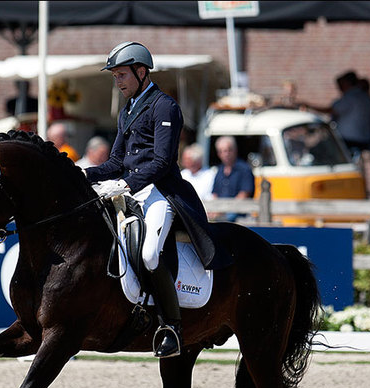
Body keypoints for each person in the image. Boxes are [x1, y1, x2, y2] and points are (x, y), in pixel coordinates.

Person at [84, 41, 231, 358]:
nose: (118, 82)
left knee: (150, 253)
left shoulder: (165, 106)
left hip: (161, 192)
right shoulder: (128, 110)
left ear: (141, 71)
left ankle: (171, 327)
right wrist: (84, 174)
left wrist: (124, 182)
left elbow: (163, 161)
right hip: (130, 189)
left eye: (122, 75)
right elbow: (116, 161)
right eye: (115, 77)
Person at [301, 70, 370, 156]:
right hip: (364, 139)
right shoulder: (364, 96)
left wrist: (308, 106)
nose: (340, 89)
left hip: (348, 140)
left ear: (347, 83)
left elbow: (331, 110)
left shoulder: (350, 97)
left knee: (317, 150)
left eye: (341, 85)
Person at [210, 135, 255, 222]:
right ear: (218, 154)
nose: (226, 154)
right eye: (222, 151)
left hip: (238, 213)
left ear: (235, 150)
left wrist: (222, 211)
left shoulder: (244, 169)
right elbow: (215, 194)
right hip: (220, 213)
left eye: (228, 150)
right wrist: (214, 210)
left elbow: (244, 195)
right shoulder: (219, 170)